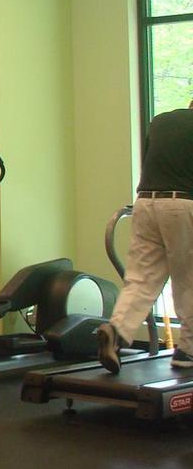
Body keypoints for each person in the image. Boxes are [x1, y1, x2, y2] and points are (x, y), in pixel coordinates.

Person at [96, 99, 193, 374]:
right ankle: (187, 350)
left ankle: (117, 330)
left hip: (146, 203)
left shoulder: (161, 121)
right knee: (188, 279)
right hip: (183, 203)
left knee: (141, 278)